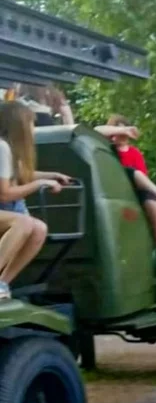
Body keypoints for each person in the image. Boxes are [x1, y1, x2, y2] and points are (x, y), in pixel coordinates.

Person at [0, 102, 70, 300]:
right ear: (19, 124)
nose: (33, 129)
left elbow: (24, 174)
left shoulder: (10, 149)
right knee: (22, 222)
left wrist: (52, 176)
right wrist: (40, 185)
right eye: (31, 123)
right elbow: (4, 194)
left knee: (39, 229)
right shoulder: (2, 147)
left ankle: (3, 283)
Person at [95, 115, 156, 255]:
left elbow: (143, 177)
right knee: (133, 172)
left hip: (134, 189)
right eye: (117, 130)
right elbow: (97, 130)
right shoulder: (108, 149)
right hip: (115, 185)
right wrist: (125, 130)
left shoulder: (135, 153)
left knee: (149, 197)